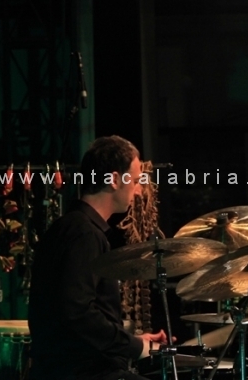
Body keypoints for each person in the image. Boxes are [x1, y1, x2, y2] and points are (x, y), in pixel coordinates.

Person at [28, 135, 171, 380]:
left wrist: (132, 340)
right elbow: (77, 312)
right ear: (114, 180)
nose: (138, 191)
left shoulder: (69, 227)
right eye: (135, 181)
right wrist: (137, 347)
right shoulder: (84, 234)